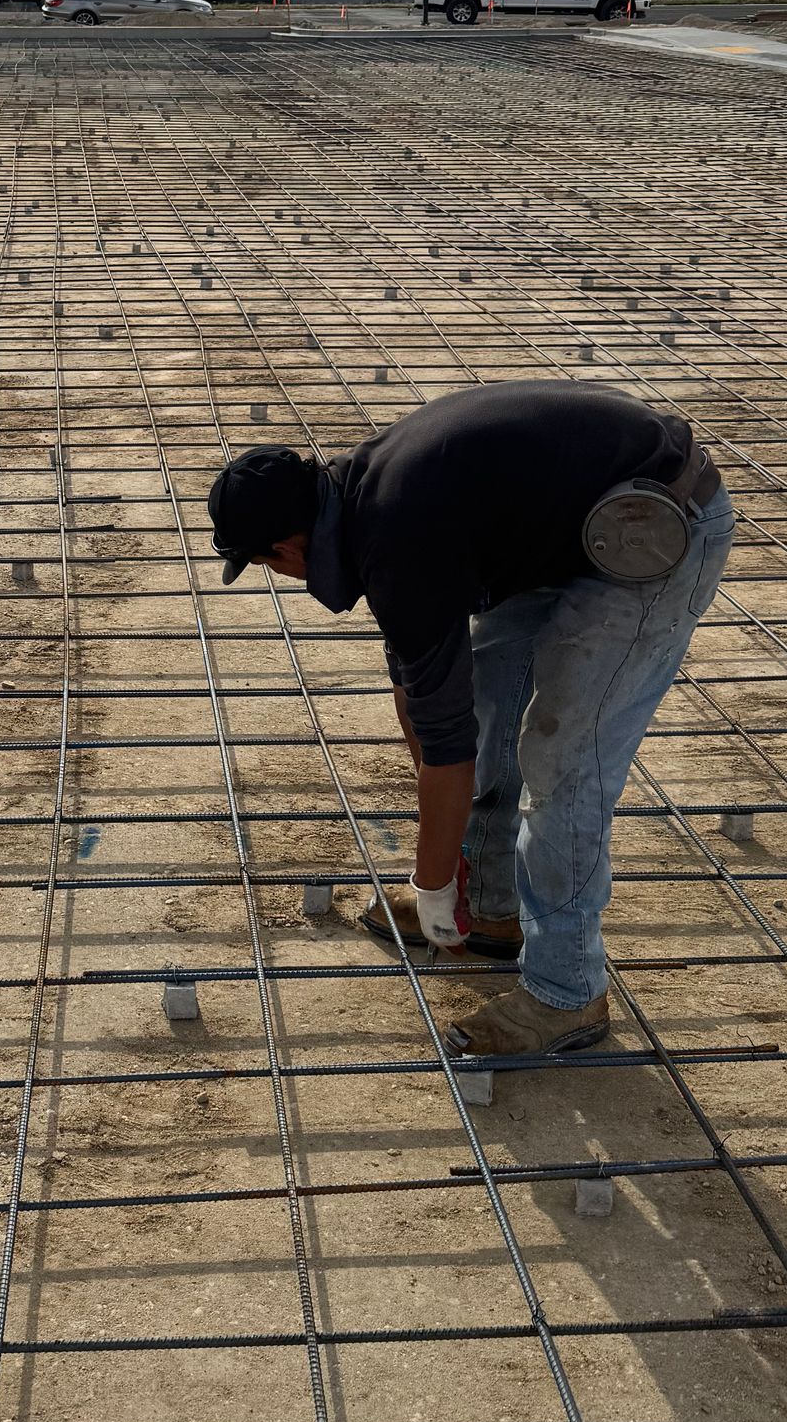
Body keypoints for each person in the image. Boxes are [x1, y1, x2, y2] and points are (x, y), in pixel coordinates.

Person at [206, 382, 733, 1057]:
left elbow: (447, 751)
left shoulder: (399, 533)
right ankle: (488, 905)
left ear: (283, 548)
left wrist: (428, 881)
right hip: (564, 528)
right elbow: (422, 689)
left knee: (564, 760)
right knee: (486, 704)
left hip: (649, 527)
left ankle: (566, 994)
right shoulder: (364, 502)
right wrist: (442, 866)